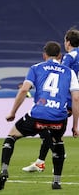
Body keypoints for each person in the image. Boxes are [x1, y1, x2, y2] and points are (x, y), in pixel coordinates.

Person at [0, 41, 79, 191]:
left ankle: (4, 170)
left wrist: (12, 112)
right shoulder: (69, 72)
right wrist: (75, 126)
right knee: (58, 141)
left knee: (11, 136)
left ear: (44, 55)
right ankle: (56, 182)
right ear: (60, 56)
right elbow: (76, 99)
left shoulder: (36, 68)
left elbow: (23, 90)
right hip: (59, 117)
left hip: (38, 115)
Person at [22, 28, 79, 172]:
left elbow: (59, 76)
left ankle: (59, 152)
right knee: (49, 129)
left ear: (67, 42)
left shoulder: (69, 57)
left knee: (43, 124)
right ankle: (40, 161)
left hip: (64, 99)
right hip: (75, 95)